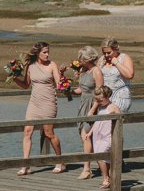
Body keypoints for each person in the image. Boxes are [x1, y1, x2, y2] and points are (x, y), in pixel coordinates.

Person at [14, 41, 64, 176]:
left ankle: (60, 161)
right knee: (27, 132)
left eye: (48, 52)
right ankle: (25, 166)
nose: (47, 54)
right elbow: (26, 85)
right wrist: (13, 78)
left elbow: (59, 84)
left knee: (49, 133)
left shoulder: (52, 65)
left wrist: (63, 80)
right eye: (44, 52)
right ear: (38, 53)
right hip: (34, 104)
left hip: (48, 103)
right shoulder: (30, 66)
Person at [73, 45, 101, 180]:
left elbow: (100, 93)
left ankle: (87, 169)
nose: (79, 60)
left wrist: (93, 109)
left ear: (88, 58)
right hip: (83, 104)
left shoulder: (96, 71)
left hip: (93, 105)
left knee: (87, 136)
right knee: (83, 135)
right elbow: (81, 89)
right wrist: (68, 90)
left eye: (81, 58)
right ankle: (102, 163)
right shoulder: (83, 70)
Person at [89, 85, 121, 189]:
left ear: (107, 97)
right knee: (99, 157)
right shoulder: (100, 107)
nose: (99, 102)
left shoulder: (113, 107)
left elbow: (121, 119)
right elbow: (91, 118)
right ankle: (107, 178)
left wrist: (114, 116)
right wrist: (90, 132)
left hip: (108, 135)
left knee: (101, 155)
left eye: (100, 100)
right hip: (98, 135)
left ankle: (106, 178)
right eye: (97, 100)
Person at [99, 37, 134, 111]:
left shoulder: (124, 57)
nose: (106, 55)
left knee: (113, 118)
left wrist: (117, 63)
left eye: (109, 52)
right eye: (104, 53)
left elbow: (130, 75)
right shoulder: (102, 59)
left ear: (116, 49)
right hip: (105, 97)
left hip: (120, 96)